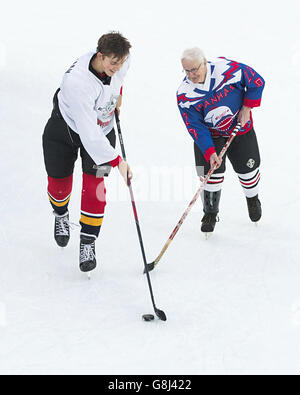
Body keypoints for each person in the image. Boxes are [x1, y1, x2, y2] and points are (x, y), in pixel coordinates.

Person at [42, 32, 132, 273]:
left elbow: (119, 78)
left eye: (121, 62)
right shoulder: (77, 82)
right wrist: (118, 162)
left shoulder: (122, 59)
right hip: (66, 131)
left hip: (103, 129)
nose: (118, 67)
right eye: (113, 63)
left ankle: (88, 241)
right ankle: (61, 214)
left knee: (96, 188)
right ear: (99, 56)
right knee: (59, 186)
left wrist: (118, 96)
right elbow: (90, 134)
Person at [177, 48, 265, 235]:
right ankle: (210, 212)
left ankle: (252, 199)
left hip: (240, 129)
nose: (192, 75)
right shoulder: (185, 95)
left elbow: (257, 81)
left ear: (204, 63)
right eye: (187, 71)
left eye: (195, 69)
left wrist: (247, 107)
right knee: (208, 175)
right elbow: (195, 126)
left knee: (248, 170)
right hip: (210, 136)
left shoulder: (229, 70)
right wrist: (209, 151)